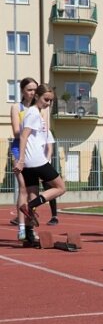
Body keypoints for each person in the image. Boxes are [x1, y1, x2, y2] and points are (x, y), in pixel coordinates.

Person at [13, 84, 67, 238]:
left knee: (32, 193)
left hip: (31, 161)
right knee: (61, 187)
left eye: (51, 101)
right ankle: (30, 206)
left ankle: (29, 234)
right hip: (35, 159)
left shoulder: (36, 113)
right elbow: (23, 136)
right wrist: (21, 159)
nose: (48, 103)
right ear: (36, 96)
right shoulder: (33, 113)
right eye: (46, 99)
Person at [9, 78, 37, 234]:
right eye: (29, 89)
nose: (32, 93)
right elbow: (16, 132)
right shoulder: (16, 107)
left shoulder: (39, 108)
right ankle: (21, 227)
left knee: (34, 190)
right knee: (23, 188)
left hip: (34, 151)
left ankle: (30, 226)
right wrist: (30, 131)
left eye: (34, 89)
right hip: (19, 150)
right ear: (22, 91)